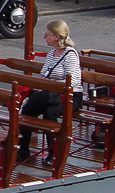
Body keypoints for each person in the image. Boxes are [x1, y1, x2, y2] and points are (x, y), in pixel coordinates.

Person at [18, 20, 82, 165]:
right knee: (28, 110)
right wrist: (40, 85)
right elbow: (44, 75)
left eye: (47, 34)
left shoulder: (70, 54)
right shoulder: (52, 54)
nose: (44, 37)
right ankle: (23, 149)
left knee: (50, 113)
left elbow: (71, 81)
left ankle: (53, 154)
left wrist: (48, 87)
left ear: (57, 36)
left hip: (71, 96)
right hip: (51, 94)